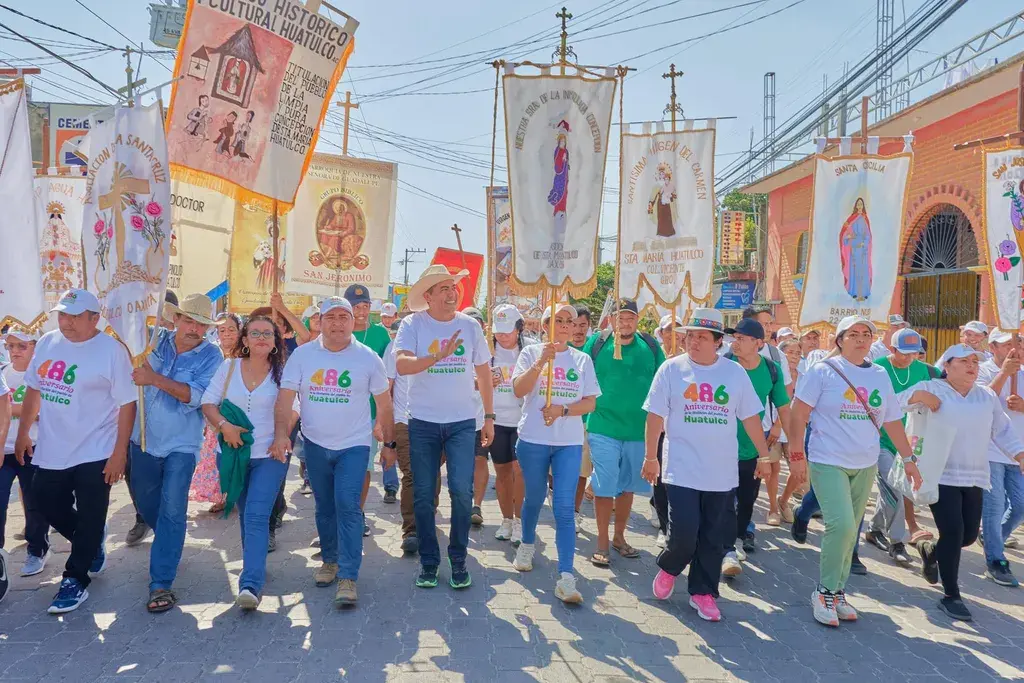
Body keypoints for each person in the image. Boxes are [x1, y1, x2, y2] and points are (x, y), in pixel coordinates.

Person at [789, 315, 921, 627]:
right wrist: (796, 455)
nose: (861, 339)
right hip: (828, 460)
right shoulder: (823, 371)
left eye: (866, 334)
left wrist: (908, 459)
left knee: (852, 533)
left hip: (865, 463)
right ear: (840, 339)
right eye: (853, 334)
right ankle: (823, 592)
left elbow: (892, 420)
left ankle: (838, 591)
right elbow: (798, 414)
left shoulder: (879, 375)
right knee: (842, 526)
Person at [643, 308, 773, 622]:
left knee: (714, 537)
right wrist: (650, 457)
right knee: (684, 534)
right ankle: (671, 566)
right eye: (690, 336)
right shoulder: (671, 369)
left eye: (702, 337)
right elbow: (655, 416)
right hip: (681, 469)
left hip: (721, 472)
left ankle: (703, 592)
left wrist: (764, 455)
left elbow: (751, 418)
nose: (694, 341)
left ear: (718, 342)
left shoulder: (734, 373)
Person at [15, 289, 137, 614]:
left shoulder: (111, 351)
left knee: (92, 512)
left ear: (94, 318)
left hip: (96, 448)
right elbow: (34, 389)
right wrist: (23, 433)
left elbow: (128, 403)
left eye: (74, 316)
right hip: (53, 446)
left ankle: (75, 579)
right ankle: (90, 540)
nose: (66, 322)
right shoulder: (47, 343)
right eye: (62, 315)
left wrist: (119, 453)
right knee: (43, 501)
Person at [274, 297, 395, 606]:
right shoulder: (303, 355)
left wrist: (389, 444)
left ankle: (348, 576)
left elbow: (384, 404)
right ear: (320, 321)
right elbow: (286, 397)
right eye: (331, 317)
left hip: (354, 445)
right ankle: (330, 560)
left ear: (353, 321)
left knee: (348, 505)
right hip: (315, 444)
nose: (337, 323)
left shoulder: (368, 358)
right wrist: (280, 434)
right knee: (324, 506)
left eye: (344, 317)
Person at [395, 265, 494, 590]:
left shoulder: (470, 326)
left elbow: (484, 373)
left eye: (453, 288)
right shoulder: (412, 324)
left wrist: (489, 417)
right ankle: (429, 561)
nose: (452, 294)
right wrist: (437, 355)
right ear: (428, 296)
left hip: (462, 424)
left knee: (462, 493)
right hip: (422, 423)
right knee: (424, 495)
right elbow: (402, 365)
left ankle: (458, 558)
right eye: (444, 289)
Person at [908, 344, 1024, 621]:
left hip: (974, 476)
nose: (972, 366)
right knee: (952, 531)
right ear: (947, 366)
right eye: (964, 361)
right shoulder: (932, 387)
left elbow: (1002, 430)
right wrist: (919, 395)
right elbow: (896, 403)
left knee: (969, 536)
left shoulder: (985, 396)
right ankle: (951, 595)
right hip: (940, 475)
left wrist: (1020, 455)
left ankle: (931, 551)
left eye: (975, 361)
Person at [128, 293, 224, 613]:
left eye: (202, 324)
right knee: (146, 504)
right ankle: (169, 540)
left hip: (182, 446)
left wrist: (154, 379)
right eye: (190, 321)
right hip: (142, 440)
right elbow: (123, 336)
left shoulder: (212, 356)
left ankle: (161, 583)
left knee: (172, 509)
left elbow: (195, 396)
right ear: (176, 319)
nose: (195, 329)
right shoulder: (151, 339)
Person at [511, 302, 599, 603]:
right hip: (533, 439)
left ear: (574, 327)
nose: (563, 325)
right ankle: (526, 544)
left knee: (563, 506)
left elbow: (590, 403)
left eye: (568, 321)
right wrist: (541, 362)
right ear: (545, 324)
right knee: (534, 497)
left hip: (568, 443)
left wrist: (563, 410)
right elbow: (519, 390)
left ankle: (566, 576)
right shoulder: (530, 353)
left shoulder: (582, 360)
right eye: (557, 320)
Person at [201, 315, 290, 610]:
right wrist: (224, 426)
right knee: (245, 514)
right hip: (232, 455)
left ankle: (250, 583)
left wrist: (282, 437)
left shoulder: (283, 373)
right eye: (255, 333)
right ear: (245, 339)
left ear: (276, 341)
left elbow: (293, 409)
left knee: (255, 515)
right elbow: (207, 403)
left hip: (270, 455)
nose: (261, 338)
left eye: (267, 333)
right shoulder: (228, 368)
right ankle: (255, 564)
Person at [582, 298, 664, 567]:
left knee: (627, 486)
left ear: (637, 320)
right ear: (610, 320)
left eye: (630, 318)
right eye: (620, 318)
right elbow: (581, 376)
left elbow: (664, 383)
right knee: (604, 484)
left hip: (638, 430)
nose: (625, 323)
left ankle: (619, 537)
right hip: (603, 426)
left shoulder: (650, 346)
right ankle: (602, 543)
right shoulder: (597, 344)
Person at [720, 318, 791, 576]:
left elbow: (783, 407)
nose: (734, 343)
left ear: (758, 343)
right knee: (724, 499)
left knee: (747, 499)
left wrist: (793, 446)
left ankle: (738, 539)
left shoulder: (771, 370)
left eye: (741, 338)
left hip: (753, 447)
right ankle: (726, 549)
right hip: (720, 447)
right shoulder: (722, 364)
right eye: (734, 338)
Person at [863, 328, 938, 565]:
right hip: (881, 440)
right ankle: (897, 541)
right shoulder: (876, 368)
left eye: (914, 353)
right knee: (894, 488)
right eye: (904, 353)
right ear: (892, 349)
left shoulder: (926, 371)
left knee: (892, 489)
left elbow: (949, 388)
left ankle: (874, 529)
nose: (909, 358)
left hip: (911, 442)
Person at [976, 330, 1024, 587]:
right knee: (994, 507)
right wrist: (1004, 373)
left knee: (1020, 506)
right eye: (1006, 345)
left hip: (1018, 452)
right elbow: (980, 402)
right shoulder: (982, 370)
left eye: (1017, 343)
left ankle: (993, 537)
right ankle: (995, 559)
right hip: (990, 449)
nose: (1013, 349)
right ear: (993, 347)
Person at [346, 285, 399, 512]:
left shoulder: (379, 334)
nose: (361, 311)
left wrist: (383, 418)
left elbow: (390, 376)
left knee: (364, 466)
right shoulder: (336, 332)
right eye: (355, 306)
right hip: (339, 411)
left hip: (370, 412)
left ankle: (357, 514)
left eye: (365, 306)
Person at [1, 331, 49, 581]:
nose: (15, 351)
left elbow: (45, 409)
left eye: (22, 346)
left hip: (33, 448)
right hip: (4, 450)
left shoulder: (43, 374)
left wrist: (11, 408)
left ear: (34, 347)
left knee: (34, 502)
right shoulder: (3, 373)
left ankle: (37, 549)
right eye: (10, 346)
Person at [191, 313, 242, 513]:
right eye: (222, 330)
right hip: (214, 415)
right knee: (216, 459)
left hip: (238, 415)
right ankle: (223, 497)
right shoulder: (211, 355)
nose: (227, 334)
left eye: (231, 329)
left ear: (240, 331)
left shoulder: (246, 356)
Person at [489, 304, 526, 545]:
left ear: (519, 328)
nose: (502, 336)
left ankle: (521, 521)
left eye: (507, 330)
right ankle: (506, 520)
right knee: (502, 473)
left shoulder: (530, 349)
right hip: (496, 421)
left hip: (523, 421)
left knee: (519, 471)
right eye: (498, 330)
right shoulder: (486, 351)